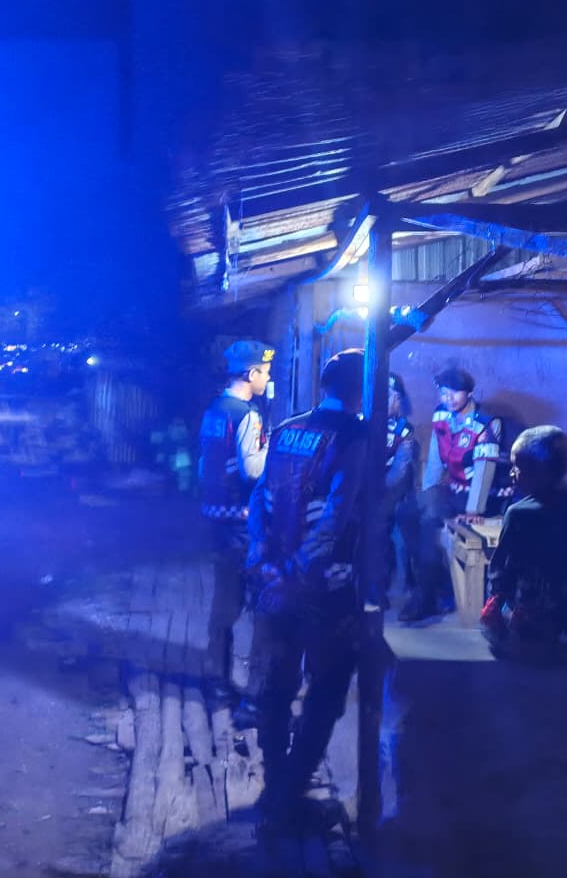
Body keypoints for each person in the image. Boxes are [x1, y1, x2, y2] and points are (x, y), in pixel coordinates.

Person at [247, 349, 367, 838]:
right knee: (327, 688)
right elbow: (337, 514)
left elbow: (259, 497)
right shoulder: (355, 436)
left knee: (275, 687)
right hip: (323, 586)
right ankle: (289, 798)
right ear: (361, 389)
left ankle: (275, 785)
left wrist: (262, 559)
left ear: (324, 384)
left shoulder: (287, 429)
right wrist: (299, 569)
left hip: (273, 579)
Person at [480, 426, 567, 666]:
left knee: (492, 621)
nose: (512, 474)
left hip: (538, 641)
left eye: (518, 467)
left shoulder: (520, 514)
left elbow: (500, 578)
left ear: (539, 471)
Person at [199, 339, 273, 708]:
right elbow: (253, 469)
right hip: (242, 522)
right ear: (251, 373)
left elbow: (206, 463)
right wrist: (275, 449)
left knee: (223, 603)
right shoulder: (248, 414)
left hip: (215, 517)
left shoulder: (214, 410)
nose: (268, 379)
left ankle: (216, 680)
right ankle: (258, 692)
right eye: (265, 372)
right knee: (262, 603)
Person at [400, 367, 504, 623]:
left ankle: (426, 597)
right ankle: (435, 583)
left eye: (454, 393)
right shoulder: (441, 415)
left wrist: (473, 510)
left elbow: (484, 470)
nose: (448, 398)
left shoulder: (486, 424)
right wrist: (428, 491)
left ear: (468, 393)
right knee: (406, 512)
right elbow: (436, 460)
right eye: (444, 393)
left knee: (428, 520)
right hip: (452, 489)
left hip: (479, 496)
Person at [382, 372, 422, 605]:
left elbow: (399, 472)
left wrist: (380, 496)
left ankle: (405, 584)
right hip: (362, 494)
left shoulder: (404, 430)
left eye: (398, 397)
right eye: (390, 396)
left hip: (393, 496)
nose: (395, 402)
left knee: (401, 536)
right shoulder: (360, 423)